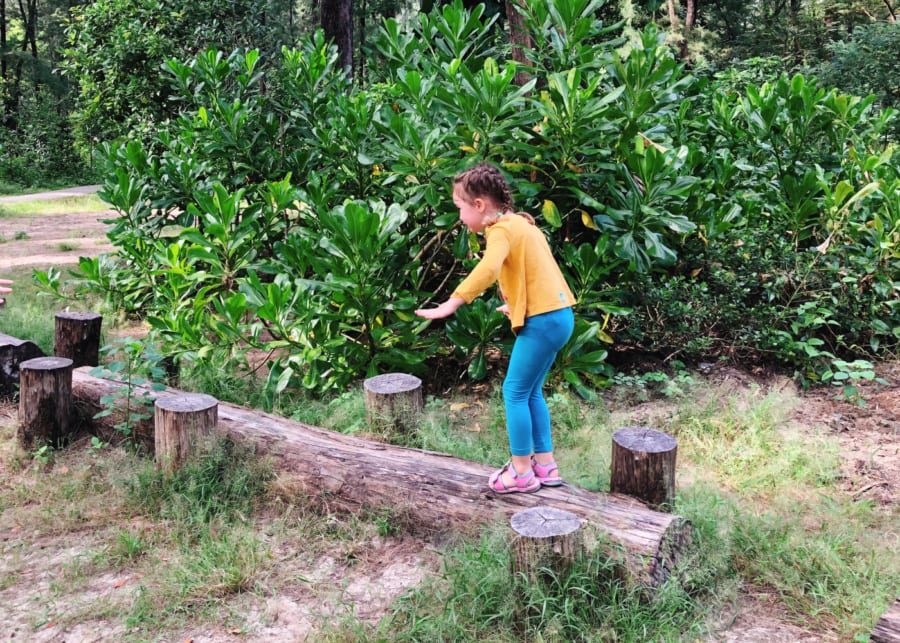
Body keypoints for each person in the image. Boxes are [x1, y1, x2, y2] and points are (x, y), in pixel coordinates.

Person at [415, 163, 576, 494]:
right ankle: (544, 465)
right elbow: (538, 272)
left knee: (513, 392)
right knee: (530, 392)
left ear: (479, 205)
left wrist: (453, 302)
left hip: (543, 320)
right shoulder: (523, 224)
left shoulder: (500, 229)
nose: (459, 218)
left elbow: (490, 267)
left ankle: (520, 472)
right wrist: (517, 303)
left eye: (459, 208)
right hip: (559, 316)